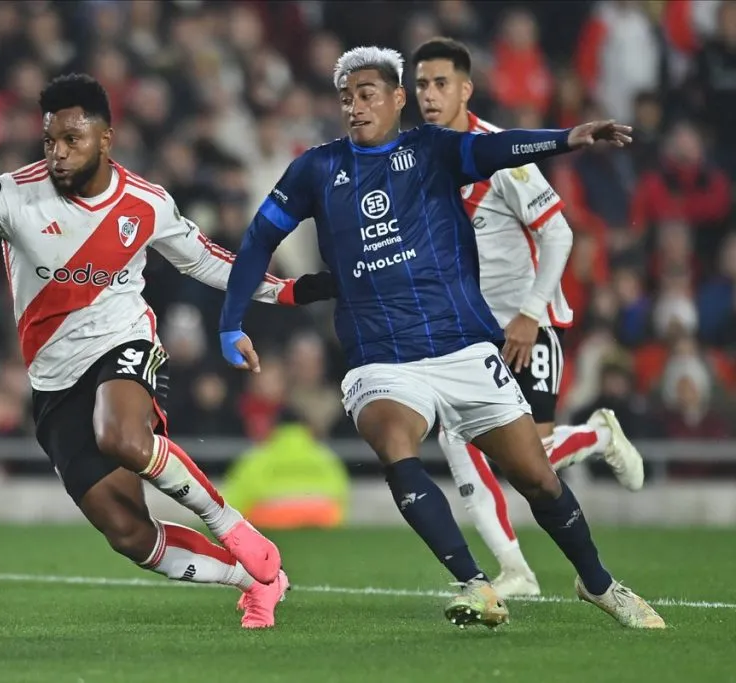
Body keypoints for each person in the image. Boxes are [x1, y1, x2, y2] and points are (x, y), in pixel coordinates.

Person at [219, 46, 664, 630]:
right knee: (394, 442)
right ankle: (476, 582)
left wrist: (568, 137)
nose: (355, 108)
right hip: (380, 355)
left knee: (536, 477)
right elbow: (256, 241)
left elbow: (495, 148)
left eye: (368, 94)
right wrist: (231, 322)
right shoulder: (317, 169)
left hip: (462, 345)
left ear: (398, 98)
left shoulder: (432, 150)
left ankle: (600, 584)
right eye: (347, 98)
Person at [0, 74, 335, 629]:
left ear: (105, 138)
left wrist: (285, 290)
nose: (58, 154)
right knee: (129, 533)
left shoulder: (146, 202)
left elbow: (207, 259)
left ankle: (231, 524)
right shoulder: (14, 194)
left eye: (72, 140)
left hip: (123, 342)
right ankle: (256, 580)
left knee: (122, 436)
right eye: (49, 142)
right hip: (52, 379)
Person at [412, 37, 645, 598]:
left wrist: (530, 314)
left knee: (527, 461)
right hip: (467, 333)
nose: (429, 95)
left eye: (441, 83)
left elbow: (559, 231)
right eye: (421, 85)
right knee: (457, 440)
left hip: (525, 324)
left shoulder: (501, 155)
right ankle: (514, 569)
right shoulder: (415, 160)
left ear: (466, 89)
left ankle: (595, 435)